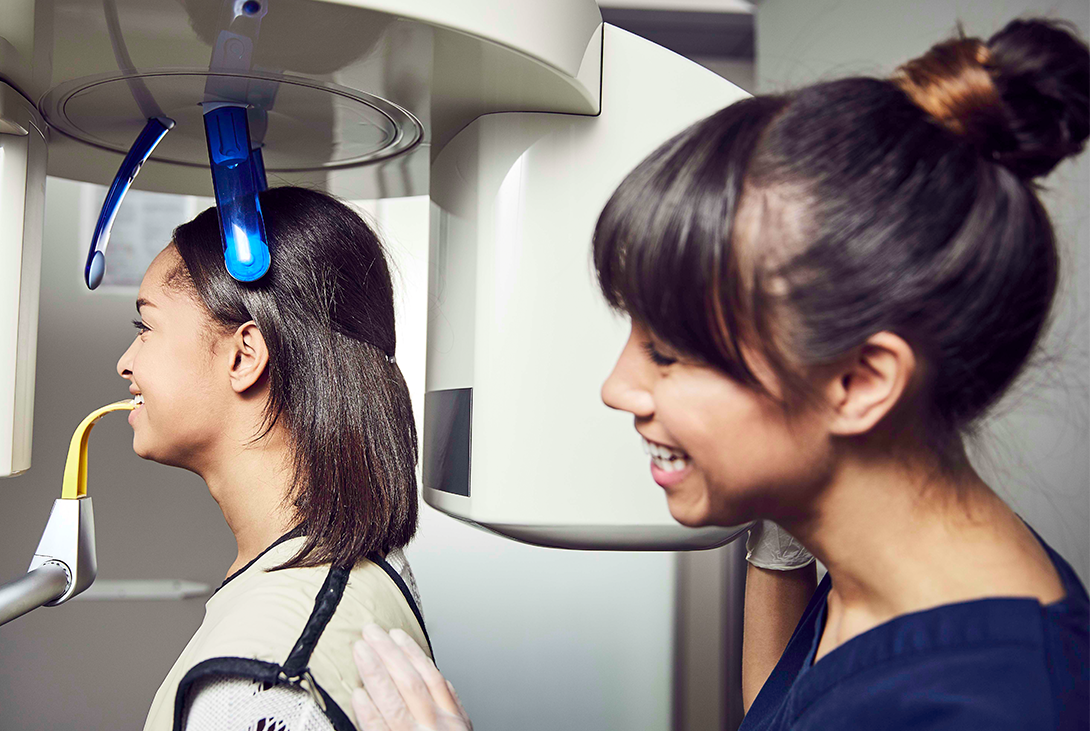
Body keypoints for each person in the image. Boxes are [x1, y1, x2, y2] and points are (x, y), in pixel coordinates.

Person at [349, 18, 1089, 731]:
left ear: (862, 382)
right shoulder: (877, 582)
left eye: (668, 353)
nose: (617, 388)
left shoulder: (998, 703)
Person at [118, 187, 432, 731]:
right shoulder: (367, 568)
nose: (126, 363)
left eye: (146, 328)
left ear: (244, 355)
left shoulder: (256, 689)